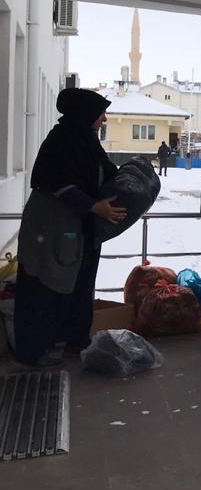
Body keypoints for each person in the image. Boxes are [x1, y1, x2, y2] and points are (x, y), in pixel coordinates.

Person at [14, 88, 125, 367]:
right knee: (46, 282)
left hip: (76, 226)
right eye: (101, 113)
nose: (104, 118)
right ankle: (34, 350)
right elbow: (58, 182)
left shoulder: (86, 140)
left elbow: (103, 172)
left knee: (77, 281)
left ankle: (72, 340)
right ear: (85, 113)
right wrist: (94, 207)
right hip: (51, 226)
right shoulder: (63, 141)